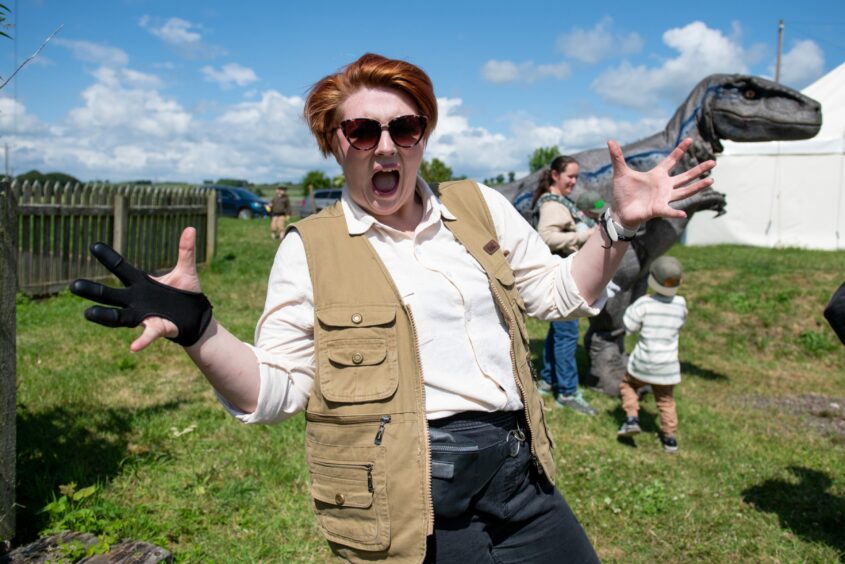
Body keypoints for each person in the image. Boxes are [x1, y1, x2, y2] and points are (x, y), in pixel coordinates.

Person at [70, 53, 715, 562]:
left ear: (422, 137)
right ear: (336, 142)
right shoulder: (310, 249)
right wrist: (200, 330)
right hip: (413, 497)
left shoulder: (479, 207)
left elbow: (560, 292)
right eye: (362, 130)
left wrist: (616, 227)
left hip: (523, 481)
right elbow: (278, 392)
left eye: (403, 128)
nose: (385, 146)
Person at [530, 156, 598, 415]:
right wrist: (586, 235)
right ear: (556, 175)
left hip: (563, 277)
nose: (574, 181)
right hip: (564, 279)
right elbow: (545, 236)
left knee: (559, 332)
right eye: (570, 176)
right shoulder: (552, 205)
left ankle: (548, 379)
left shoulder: (560, 202)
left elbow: (599, 207)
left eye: (576, 177)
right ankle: (568, 393)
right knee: (567, 335)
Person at [616, 256, 688, 453]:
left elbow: (629, 326)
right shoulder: (681, 304)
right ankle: (670, 439)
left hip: (643, 363)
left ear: (651, 279)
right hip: (667, 367)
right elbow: (681, 323)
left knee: (628, 385)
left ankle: (631, 418)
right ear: (680, 282)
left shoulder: (644, 304)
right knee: (665, 401)